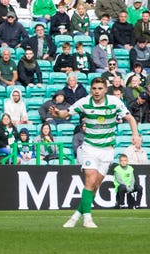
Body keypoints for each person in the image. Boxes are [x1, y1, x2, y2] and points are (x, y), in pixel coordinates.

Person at [49, 77, 140, 228]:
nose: (96, 91)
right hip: (89, 148)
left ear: (105, 89)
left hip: (107, 150)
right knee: (90, 180)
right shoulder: (84, 102)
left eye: (99, 88)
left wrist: (135, 134)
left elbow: (130, 118)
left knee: (95, 186)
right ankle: (87, 219)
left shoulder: (114, 102)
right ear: (91, 90)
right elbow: (66, 114)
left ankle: (75, 216)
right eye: (94, 89)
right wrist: (57, 114)